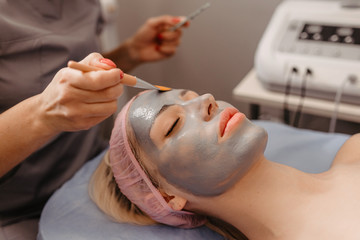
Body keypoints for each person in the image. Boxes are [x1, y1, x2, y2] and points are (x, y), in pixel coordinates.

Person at [0, 1, 188, 239]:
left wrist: (130, 53)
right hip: (22, 209)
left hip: (95, 167)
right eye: (172, 126)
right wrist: (42, 114)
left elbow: (71, 69)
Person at [90, 89, 360, 240]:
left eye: (191, 95)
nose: (206, 100)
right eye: (173, 125)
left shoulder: (355, 150)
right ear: (167, 195)